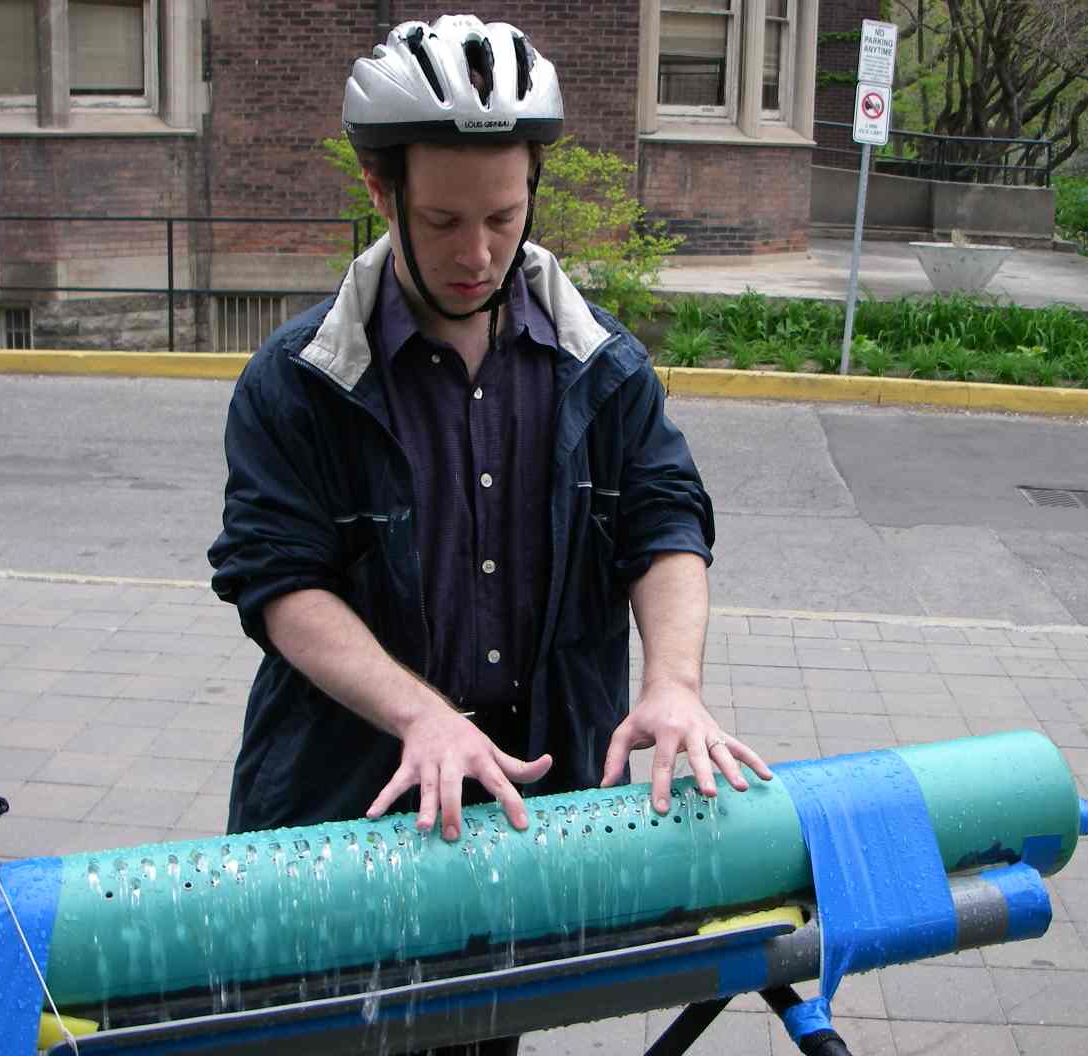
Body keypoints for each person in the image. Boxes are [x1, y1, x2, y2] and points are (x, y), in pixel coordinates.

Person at [208, 16, 772, 1050]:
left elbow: (663, 523)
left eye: (503, 218)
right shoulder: (297, 382)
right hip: (342, 822)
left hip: (520, 826)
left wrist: (674, 684)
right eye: (442, 220)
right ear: (381, 193)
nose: (477, 254)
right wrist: (421, 718)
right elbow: (278, 582)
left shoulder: (605, 368)